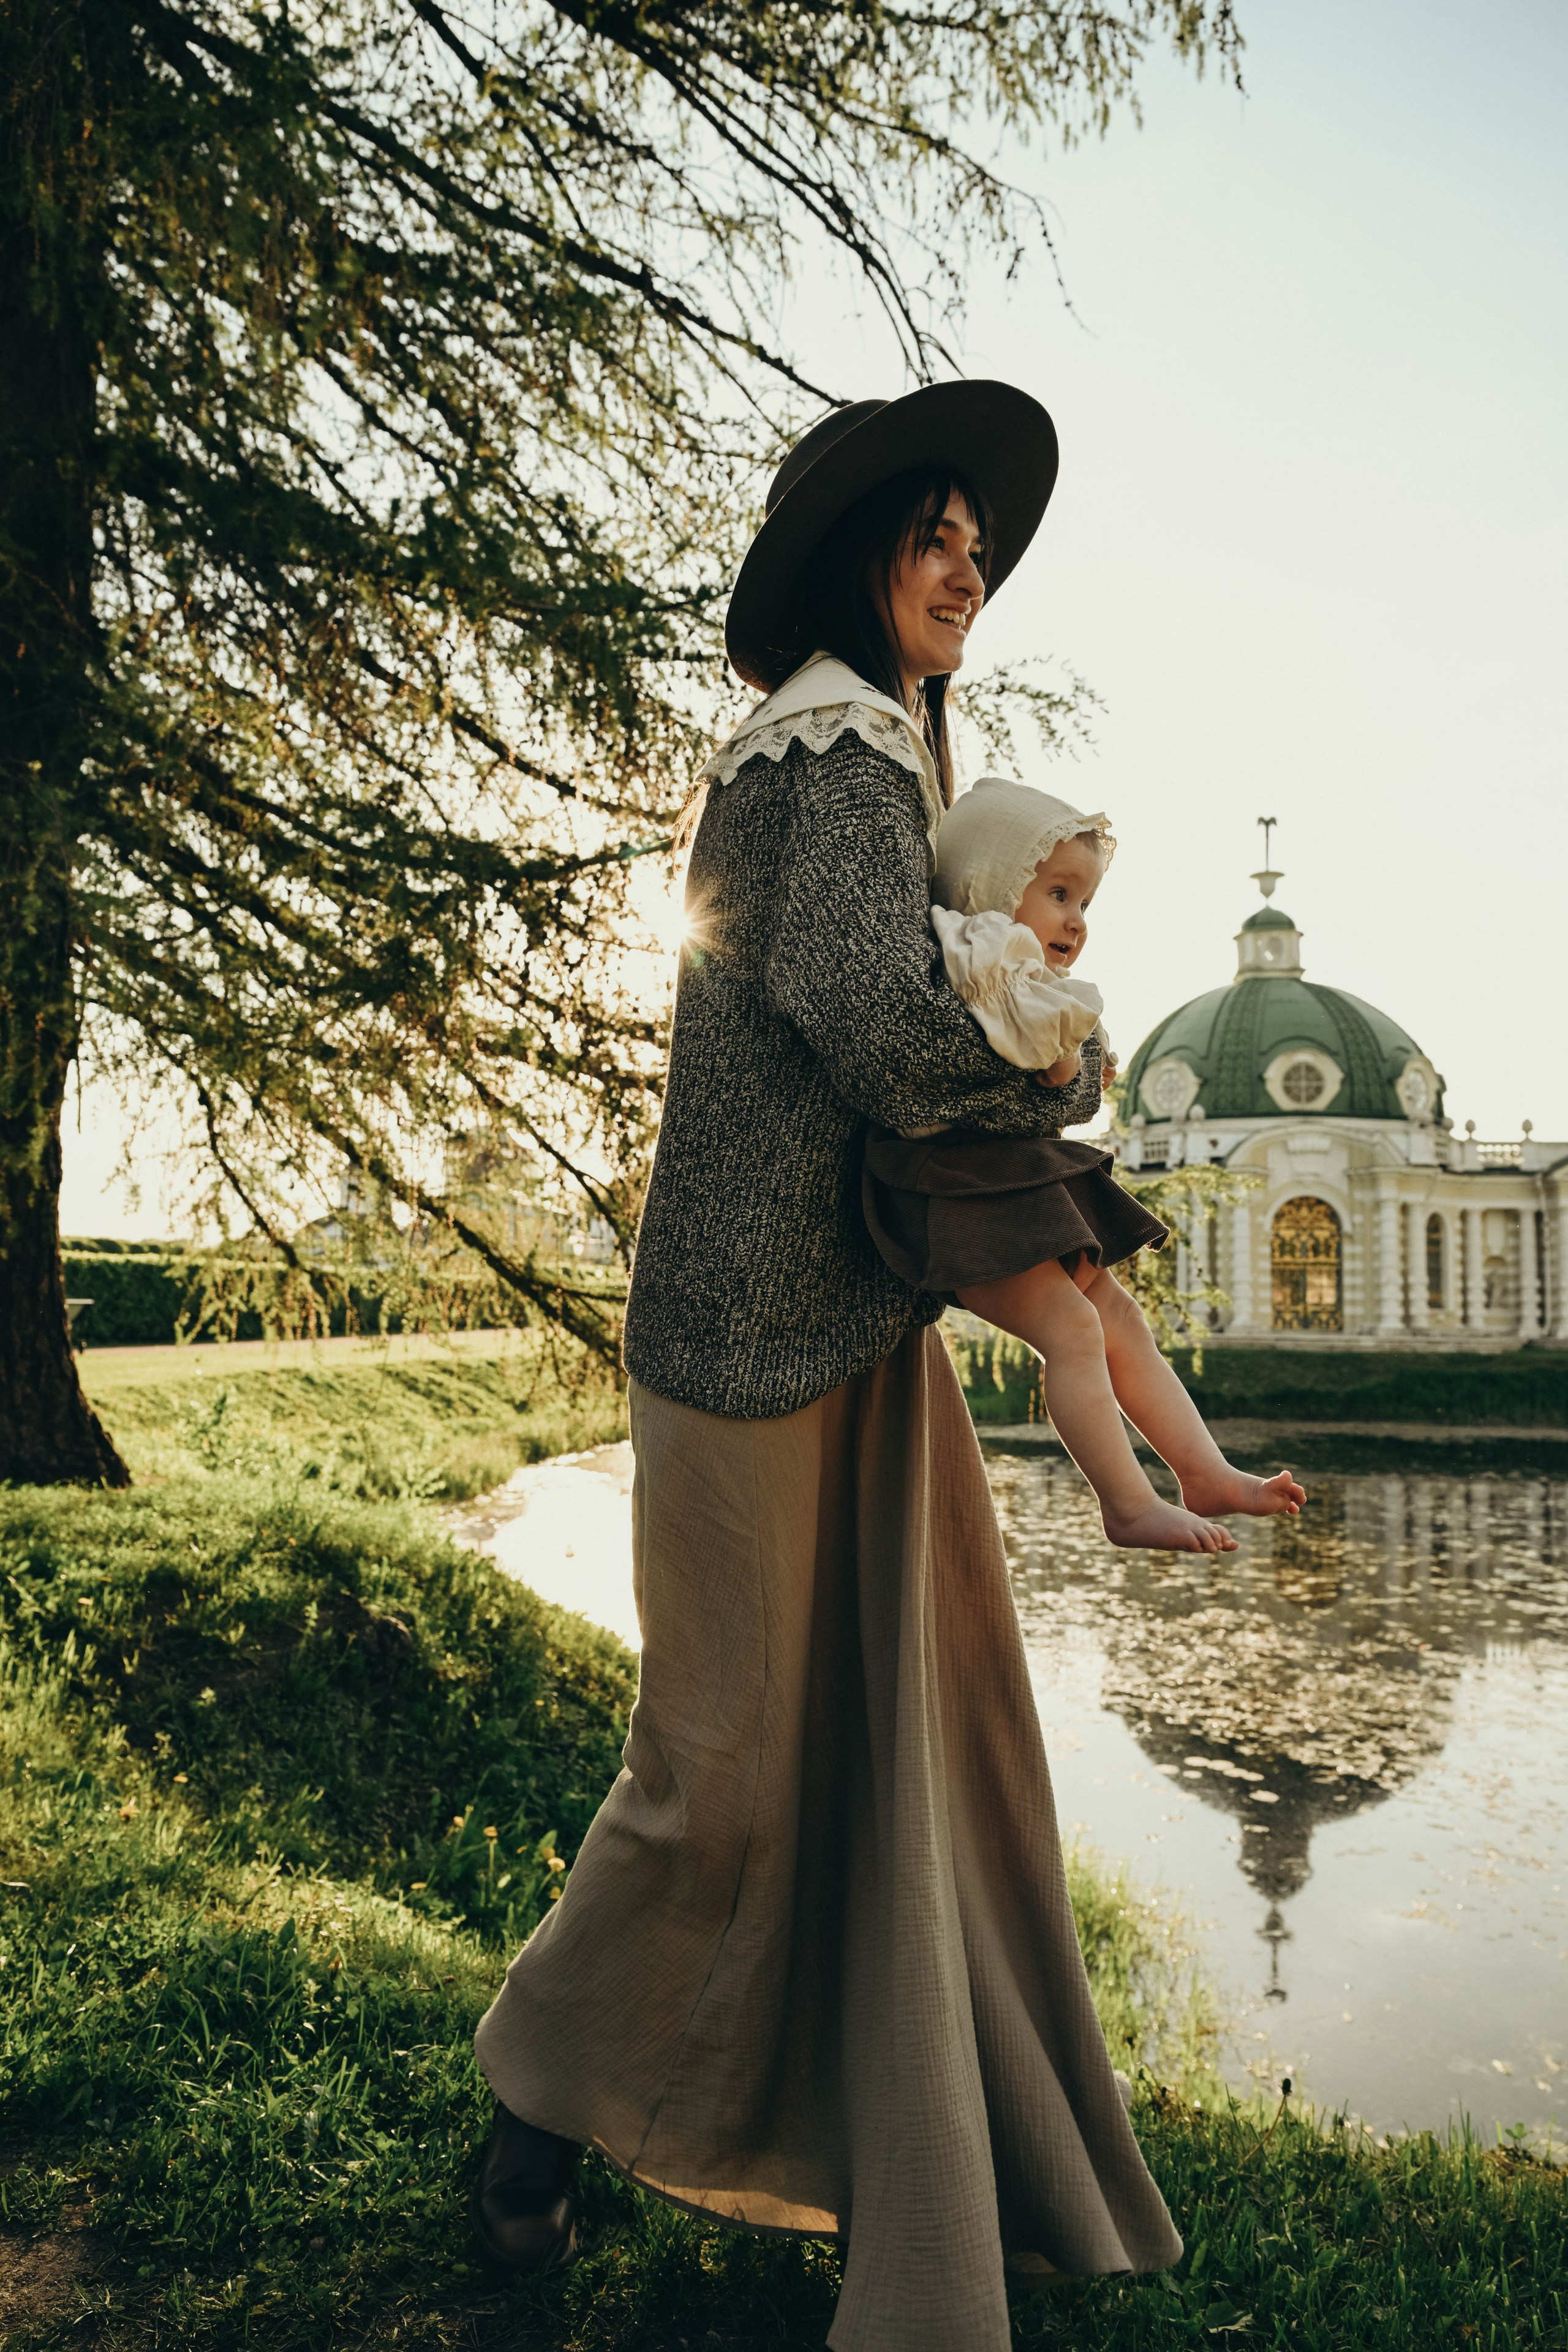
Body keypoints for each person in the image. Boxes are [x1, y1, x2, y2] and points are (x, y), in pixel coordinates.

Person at [470, 383, 1186, 2352]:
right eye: (932, 533)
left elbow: (933, 1002)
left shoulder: (894, 755)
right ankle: (530, 2099)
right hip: (737, 1333)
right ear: (854, 556)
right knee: (710, 1777)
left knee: (899, 1754)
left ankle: (937, 2206)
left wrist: (1045, 1031)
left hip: (854, 1325)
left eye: (981, 542)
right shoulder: (818, 751)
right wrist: (1054, 1048)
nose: (969, 566)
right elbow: (878, 1027)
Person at [864, 776, 1307, 1553]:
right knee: (1072, 1327)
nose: (1074, 921)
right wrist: (1074, 1058)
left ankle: (1202, 1469)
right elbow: (1036, 1052)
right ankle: (1127, 1503)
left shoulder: (1008, 961)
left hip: (1009, 1184)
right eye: (1058, 894)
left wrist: (1078, 1054)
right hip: (965, 1192)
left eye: (1084, 904)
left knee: (1117, 1319)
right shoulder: (979, 948)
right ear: (991, 889)